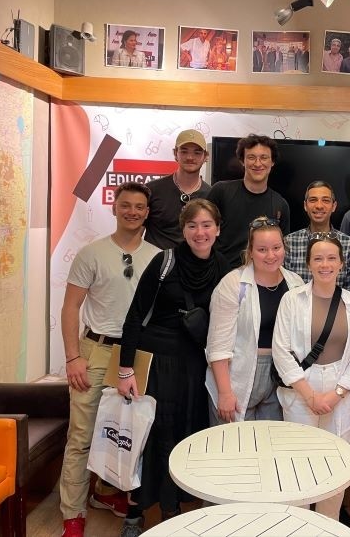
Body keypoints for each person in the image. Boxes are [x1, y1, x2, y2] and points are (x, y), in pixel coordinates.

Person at [117, 199, 230, 536]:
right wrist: (125, 370)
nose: (200, 232)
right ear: (183, 229)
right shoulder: (164, 262)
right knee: (151, 435)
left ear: (218, 229)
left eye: (207, 225)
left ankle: (173, 506)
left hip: (195, 365)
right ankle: (137, 512)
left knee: (184, 434)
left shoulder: (224, 267)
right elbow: (135, 315)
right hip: (157, 361)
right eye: (192, 225)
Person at [60, 183, 160, 537]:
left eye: (139, 207)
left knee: (127, 431)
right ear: (114, 208)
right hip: (96, 350)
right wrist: (73, 357)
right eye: (126, 205)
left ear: (147, 213)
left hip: (137, 355)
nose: (132, 212)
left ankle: (106, 491)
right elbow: (70, 307)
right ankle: (72, 514)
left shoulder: (158, 257)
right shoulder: (92, 253)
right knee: (82, 435)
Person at [272, 234, 350, 521]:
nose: (325, 264)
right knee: (298, 465)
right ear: (308, 264)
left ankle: (328, 524)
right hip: (301, 389)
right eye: (318, 258)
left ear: (341, 263)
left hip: (340, 391)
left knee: (335, 466)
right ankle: (298, 525)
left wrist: (337, 394)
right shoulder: (292, 300)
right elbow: (281, 350)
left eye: (331, 258)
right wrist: (310, 396)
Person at [206, 217, 304, 424]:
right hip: (237, 374)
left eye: (276, 248)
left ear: (284, 248)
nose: (271, 255)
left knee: (272, 440)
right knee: (236, 441)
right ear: (250, 251)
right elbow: (218, 345)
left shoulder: (295, 283)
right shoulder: (233, 284)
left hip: (280, 374)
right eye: (262, 250)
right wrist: (224, 393)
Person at [207, 134, 290, 269]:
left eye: (264, 157)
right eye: (251, 157)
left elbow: (280, 250)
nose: (257, 163)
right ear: (242, 161)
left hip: (261, 276)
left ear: (272, 162)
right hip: (221, 273)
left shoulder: (280, 205)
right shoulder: (220, 191)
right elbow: (204, 232)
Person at [285, 181, 350, 290]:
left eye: (325, 200)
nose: (319, 206)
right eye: (313, 200)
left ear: (334, 206)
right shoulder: (289, 243)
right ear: (305, 205)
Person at [144, 129, 211, 249]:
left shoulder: (212, 195)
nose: (190, 157)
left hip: (195, 260)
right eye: (184, 151)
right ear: (175, 153)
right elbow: (135, 233)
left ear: (205, 156)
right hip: (156, 260)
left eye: (197, 152)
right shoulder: (151, 190)